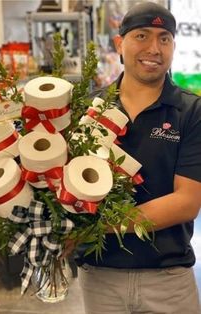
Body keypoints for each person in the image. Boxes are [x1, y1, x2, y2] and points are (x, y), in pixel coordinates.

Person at [74, 2, 201, 314]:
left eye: (164, 38)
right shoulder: (88, 109)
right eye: (141, 36)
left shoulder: (191, 112)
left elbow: (187, 202)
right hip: (100, 277)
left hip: (169, 281)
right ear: (120, 44)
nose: (153, 48)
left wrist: (97, 226)